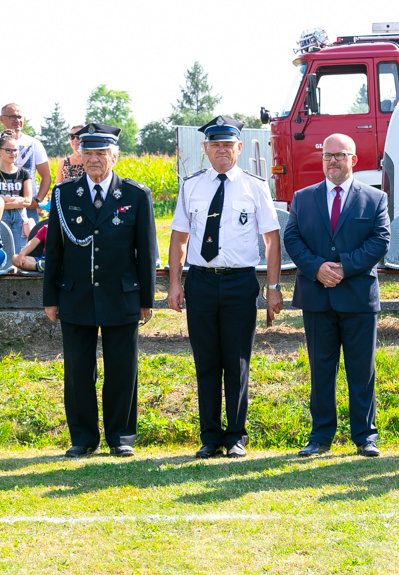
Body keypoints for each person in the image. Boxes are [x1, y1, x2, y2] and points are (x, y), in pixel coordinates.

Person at [168, 116, 283, 459]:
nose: (221, 150)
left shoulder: (255, 185)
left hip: (239, 282)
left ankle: (236, 437)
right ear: (205, 148)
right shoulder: (191, 186)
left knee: (237, 362)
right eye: (215, 144)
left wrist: (273, 286)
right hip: (201, 281)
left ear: (239, 147)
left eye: (227, 145)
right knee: (205, 362)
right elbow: (179, 237)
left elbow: (272, 240)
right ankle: (210, 436)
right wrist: (175, 282)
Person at [42, 123, 157, 458]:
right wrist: (51, 298)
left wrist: (147, 299)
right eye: (87, 152)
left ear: (114, 156)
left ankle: (121, 437)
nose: (93, 159)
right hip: (75, 294)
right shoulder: (64, 194)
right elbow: (55, 252)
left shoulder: (136, 195)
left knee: (122, 369)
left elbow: (146, 252)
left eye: (100, 153)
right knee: (78, 370)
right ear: (80, 155)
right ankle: (83, 438)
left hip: (121, 295)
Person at [284, 133, 390, 458]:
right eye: (328, 155)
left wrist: (343, 267)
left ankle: (365, 437)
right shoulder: (302, 198)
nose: (333, 161)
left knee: (362, 370)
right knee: (321, 369)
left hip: (358, 297)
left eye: (340, 155)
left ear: (353, 160)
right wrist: (317, 268)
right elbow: (292, 238)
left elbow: (380, 240)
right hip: (317, 297)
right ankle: (320, 437)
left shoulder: (375, 199)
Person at [0, 104, 51, 221]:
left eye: (20, 117)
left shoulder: (34, 144)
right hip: (1, 208)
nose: (17, 120)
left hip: (27, 207)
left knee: (28, 239)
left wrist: (37, 200)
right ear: (2, 119)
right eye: (12, 117)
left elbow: (46, 175)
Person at [0, 130, 33, 253]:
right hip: (2, 216)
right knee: (3, 252)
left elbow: (28, 200)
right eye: (8, 150)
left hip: (20, 217)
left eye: (15, 150)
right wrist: (16, 201)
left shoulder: (23, 173)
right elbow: (21, 200)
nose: (12, 153)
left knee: (20, 251)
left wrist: (3, 199)